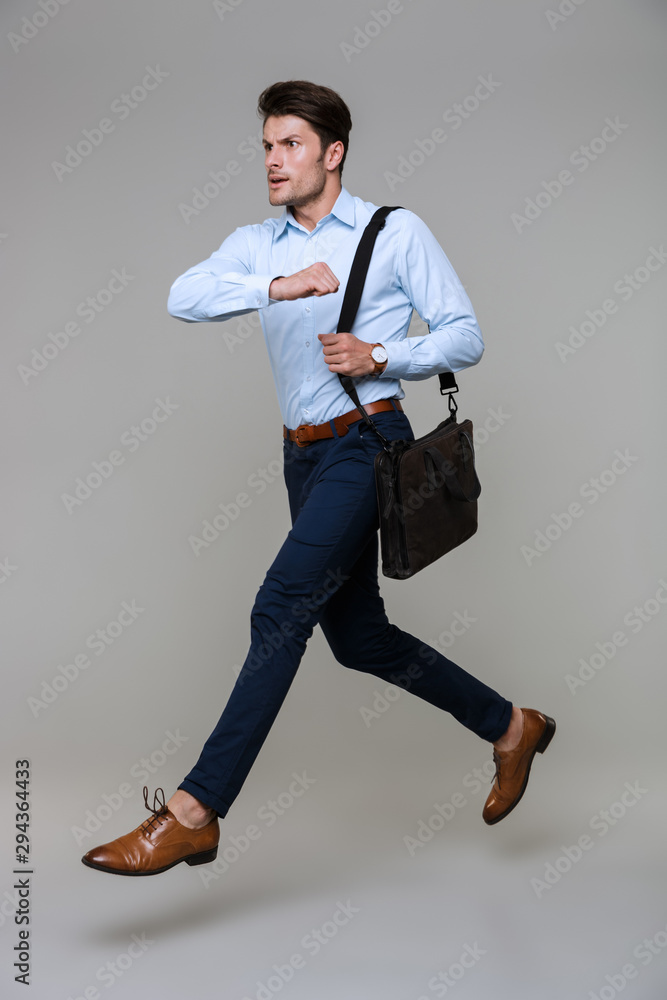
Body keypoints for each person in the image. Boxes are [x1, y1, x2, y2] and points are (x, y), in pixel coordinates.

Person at [81, 80, 555, 877]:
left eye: (290, 144)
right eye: (267, 146)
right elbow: (182, 296)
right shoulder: (256, 245)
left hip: (367, 444)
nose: (273, 160)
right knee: (358, 638)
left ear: (332, 154)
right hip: (301, 457)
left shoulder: (391, 231)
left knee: (279, 607)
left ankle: (193, 813)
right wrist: (277, 285)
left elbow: (464, 335)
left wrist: (381, 355)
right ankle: (512, 727)